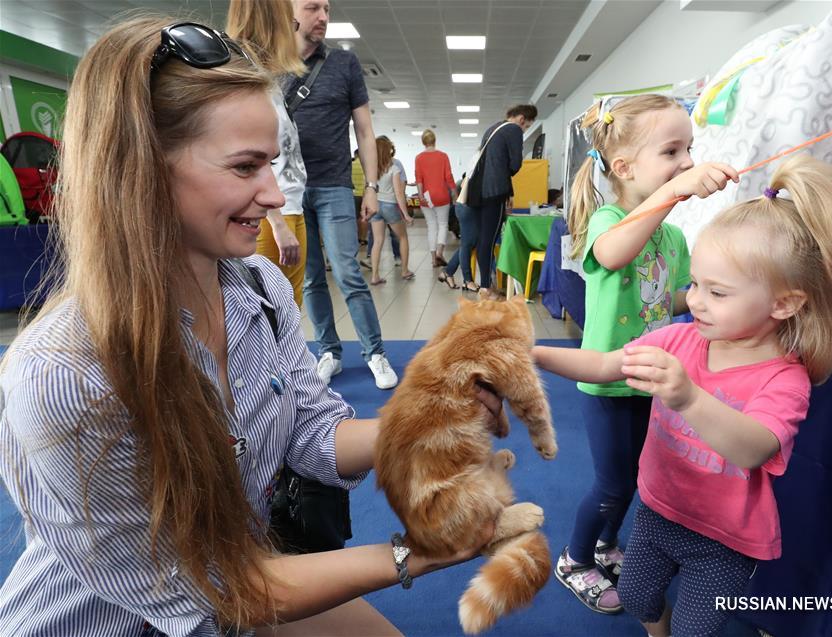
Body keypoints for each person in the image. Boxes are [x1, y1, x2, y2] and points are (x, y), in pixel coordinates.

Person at [0, 18, 500, 636]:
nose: (273, 194)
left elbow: (313, 434)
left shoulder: (258, 288)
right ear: (141, 169)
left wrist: (433, 416)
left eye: (274, 162)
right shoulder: (64, 373)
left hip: (247, 578)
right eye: (245, 167)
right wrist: (414, 553)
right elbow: (215, 591)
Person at [535, 153, 832, 637]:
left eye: (717, 292)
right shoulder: (682, 338)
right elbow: (602, 364)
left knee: (696, 628)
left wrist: (688, 399)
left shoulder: (785, 379)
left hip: (724, 540)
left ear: (784, 303)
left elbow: (754, 447)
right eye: (696, 285)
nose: (695, 300)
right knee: (640, 598)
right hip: (658, 512)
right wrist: (530, 354)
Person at [555, 94, 739, 613]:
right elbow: (614, 253)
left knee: (635, 478)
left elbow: (674, 298)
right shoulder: (609, 221)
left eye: (690, 150)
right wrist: (678, 190)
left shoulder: (673, 236)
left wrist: (716, 295)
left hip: (650, 379)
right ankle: (574, 558)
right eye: (673, 152)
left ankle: (606, 543)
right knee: (612, 482)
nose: (687, 163)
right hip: (608, 384)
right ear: (624, 167)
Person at [290, 0, 397, 389]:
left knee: (349, 272)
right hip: (288, 189)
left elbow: (365, 131)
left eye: (328, 10)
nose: (323, 17)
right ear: (290, 12)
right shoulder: (270, 66)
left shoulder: (344, 65)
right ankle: (329, 351)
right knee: (311, 278)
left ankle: (376, 353)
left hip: (335, 185)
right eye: (313, 8)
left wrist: (370, 186)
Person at [226, 0, 307, 310]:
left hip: (292, 204)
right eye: (292, 23)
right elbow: (250, 161)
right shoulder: (244, 80)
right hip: (270, 213)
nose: (293, 32)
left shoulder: (268, 82)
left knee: (291, 309)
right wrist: (278, 224)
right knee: (267, 312)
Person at [469, 104, 537, 294]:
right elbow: (515, 164)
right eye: (528, 126)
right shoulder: (514, 130)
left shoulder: (492, 128)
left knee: (483, 238)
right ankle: (485, 286)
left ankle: (485, 283)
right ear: (522, 119)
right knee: (490, 240)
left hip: (478, 192)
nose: (525, 129)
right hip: (495, 191)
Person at [370, 137, 414, 285]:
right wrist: (406, 214)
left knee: (377, 241)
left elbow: (368, 188)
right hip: (389, 205)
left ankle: (375, 276)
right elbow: (399, 193)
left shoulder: (372, 168)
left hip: (375, 205)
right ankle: (405, 270)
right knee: (402, 237)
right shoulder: (394, 168)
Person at [415, 129, 457, 267]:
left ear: (423, 142)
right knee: (443, 224)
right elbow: (448, 177)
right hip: (441, 195)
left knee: (431, 226)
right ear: (434, 141)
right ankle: (440, 252)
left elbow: (419, 179)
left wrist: (420, 194)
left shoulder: (419, 158)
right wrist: (454, 193)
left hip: (426, 197)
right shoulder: (443, 156)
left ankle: (433, 259)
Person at [440, 175, 480, 292]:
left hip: (466, 205)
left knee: (469, 243)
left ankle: (448, 272)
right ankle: (467, 281)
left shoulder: (476, 165)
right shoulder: (479, 165)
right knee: (467, 244)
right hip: (467, 206)